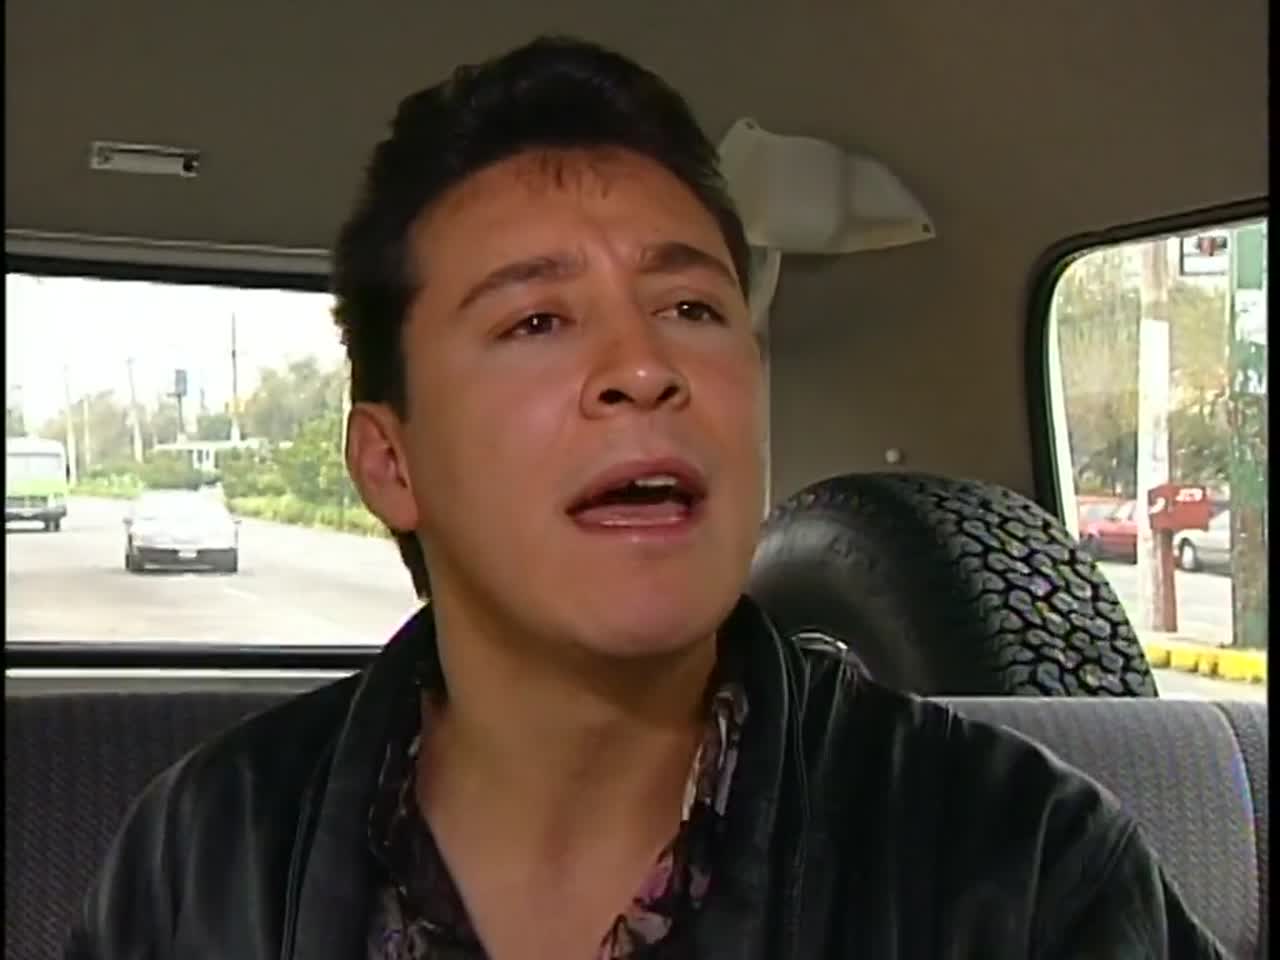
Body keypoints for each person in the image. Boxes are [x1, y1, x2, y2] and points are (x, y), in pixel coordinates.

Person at [66, 36, 1226, 960]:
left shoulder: (1015, 865)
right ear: (390, 463)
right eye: (536, 320)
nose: (642, 366)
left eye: (691, 309)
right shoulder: (205, 857)